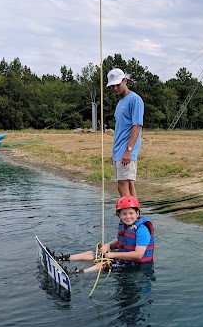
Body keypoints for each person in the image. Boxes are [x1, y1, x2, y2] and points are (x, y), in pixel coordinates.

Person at [66, 196, 154, 273]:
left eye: (131, 213)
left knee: (102, 265)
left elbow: (138, 255)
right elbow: (118, 241)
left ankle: (75, 274)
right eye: (124, 214)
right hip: (124, 258)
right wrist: (107, 245)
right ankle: (64, 258)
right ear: (119, 215)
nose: (127, 216)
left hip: (138, 265)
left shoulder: (142, 230)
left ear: (137, 213)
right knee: (92, 254)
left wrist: (113, 255)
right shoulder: (124, 226)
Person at [106, 67, 144, 199]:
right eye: (112, 86)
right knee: (128, 184)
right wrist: (114, 152)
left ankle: (129, 217)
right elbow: (120, 129)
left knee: (122, 186)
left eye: (118, 84)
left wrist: (129, 150)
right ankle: (135, 216)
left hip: (126, 151)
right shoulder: (120, 102)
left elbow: (137, 125)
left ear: (125, 81)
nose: (115, 88)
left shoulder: (135, 100)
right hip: (119, 151)